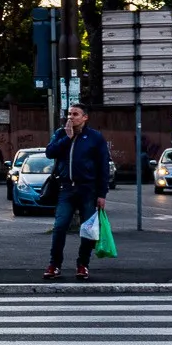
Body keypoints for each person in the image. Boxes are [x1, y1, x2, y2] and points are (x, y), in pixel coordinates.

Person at [45, 103, 112, 279]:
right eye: (69, 114)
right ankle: (54, 265)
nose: (71, 117)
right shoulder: (61, 134)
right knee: (60, 227)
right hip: (66, 188)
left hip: (88, 190)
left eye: (75, 114)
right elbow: (49, 153)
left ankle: (83, 264)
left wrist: (102, 194)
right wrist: (67, 138)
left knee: (88, 230)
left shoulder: (95, 138)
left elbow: (103, 166)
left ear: (84, 117)